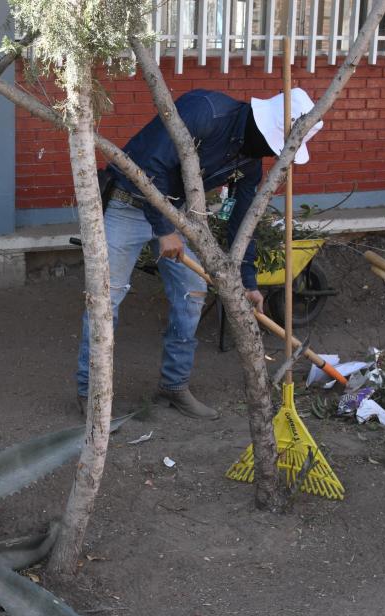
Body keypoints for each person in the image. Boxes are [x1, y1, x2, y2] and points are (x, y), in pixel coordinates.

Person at [75, 88, 323, 419]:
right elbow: (152, 164)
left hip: (174, 217)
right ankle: (91, 394)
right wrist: (164, 231)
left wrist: (248, 282)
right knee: (106, 301)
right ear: (263, 128)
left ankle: (173, 386)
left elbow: (241, 223)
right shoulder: (205, 111)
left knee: (193, 292)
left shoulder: (248, 162)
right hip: (128, 203)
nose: (271, 153)